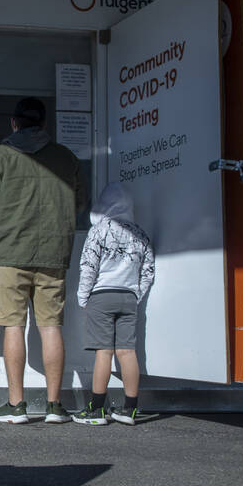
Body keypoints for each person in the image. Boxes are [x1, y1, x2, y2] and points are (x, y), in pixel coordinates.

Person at [0, 97, 83, 424]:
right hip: (53, 253)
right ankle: (54, 406)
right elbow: (79, 204)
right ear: (45, 124)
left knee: (13, 326)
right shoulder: (66, 158)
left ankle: (16, 405)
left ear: (14, 122)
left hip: (10, 253)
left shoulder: (1, 155)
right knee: (51, 327)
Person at [72, 182, 155, 426]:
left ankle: (96, 409)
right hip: (128, 297)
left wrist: (83, 297)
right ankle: (129, 409)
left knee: (104, 353)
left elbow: (88, 266)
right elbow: (148, 270)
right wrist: (136, 295)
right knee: (128, 352)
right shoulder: (140, 233)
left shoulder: (99, 229)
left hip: (102, 296)